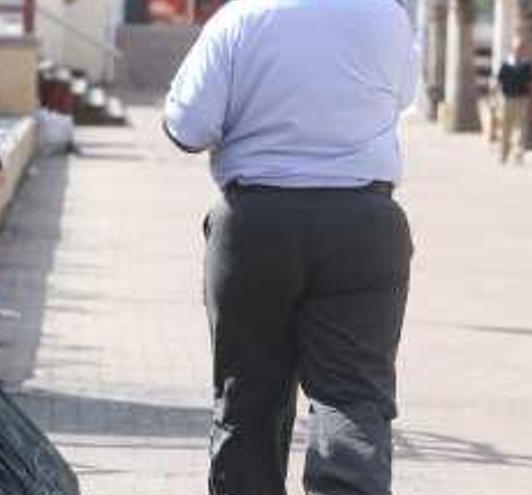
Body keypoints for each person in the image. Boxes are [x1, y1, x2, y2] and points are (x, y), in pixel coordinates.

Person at [163, 1, 416, 494]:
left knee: (249, 396)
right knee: (354, 395)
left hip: (256, 224)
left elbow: (188, 128)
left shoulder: (240, 19)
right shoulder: (387, 15)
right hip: (364, 223)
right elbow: (400, 98)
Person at [496, 39, 532, 164]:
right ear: (513, 49)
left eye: (521, 48)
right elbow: (499, 82)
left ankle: (518, 154)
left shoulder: (527, 66)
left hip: (522, 100)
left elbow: (531, 83)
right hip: (507, 100)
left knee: (521, 128)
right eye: (517, 48)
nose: (519, 50)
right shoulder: (506, 64)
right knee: (505, 128)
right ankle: (503, 154)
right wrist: (496, 98)